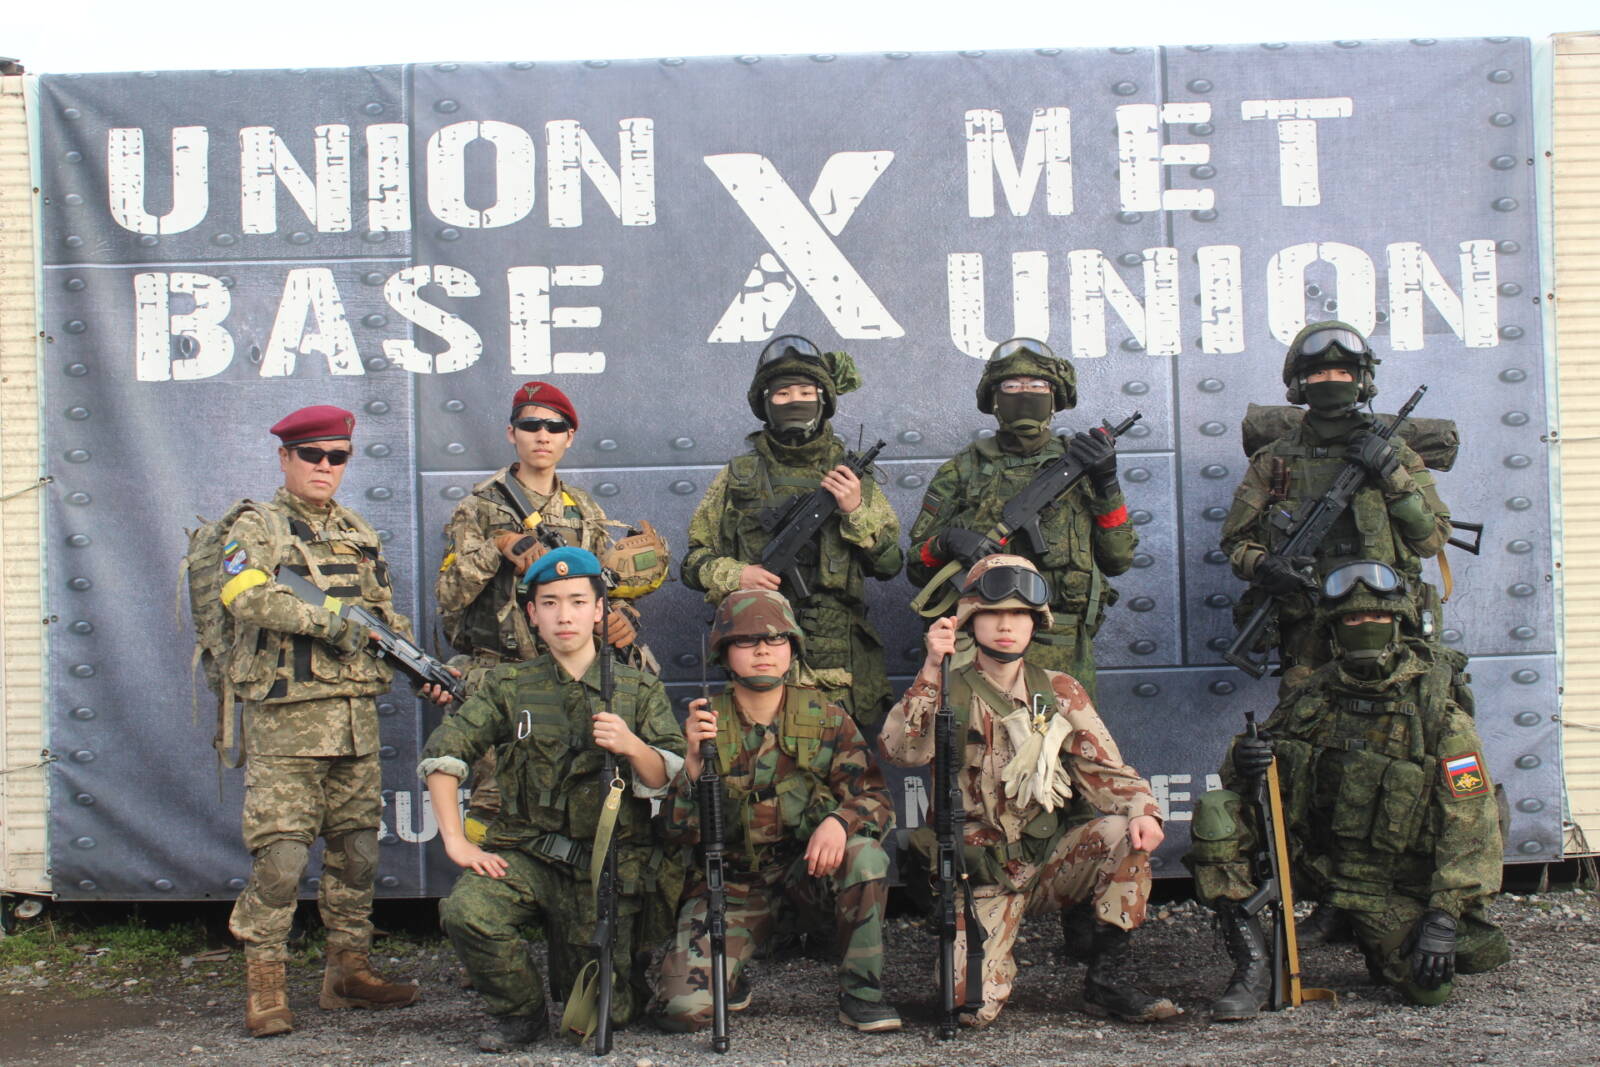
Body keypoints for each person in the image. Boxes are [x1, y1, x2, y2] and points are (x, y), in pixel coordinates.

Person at [1188, 560, 1508, 1014]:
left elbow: (1471, 823)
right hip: (1316, 862)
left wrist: (1444, 915)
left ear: (1398, 624)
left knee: (1427, 990)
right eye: (1353, 619)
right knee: (1218, 812)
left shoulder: (1436, 713)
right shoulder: (1315, 694)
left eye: (1376, 616)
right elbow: (1252, 774)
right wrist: (1245, 758)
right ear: (1335, 631)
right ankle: (1254, 968)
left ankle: (1368, 929)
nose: (1365, 626)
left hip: (1388, 881)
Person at [221, 405, 450, 1037]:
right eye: (312, 455)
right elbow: (244, 595)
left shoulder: (356, 530)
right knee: (282, 857)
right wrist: (330, 624)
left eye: (338, 457)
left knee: (357, 854)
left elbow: (381, 618)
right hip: (288, 722)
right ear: (285, 458)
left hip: (354, 720)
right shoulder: (257, 525)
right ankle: (266, 984)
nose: (325, 467)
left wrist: (418, 667)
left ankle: (348, 973)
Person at [879, 554, 1176, 1028]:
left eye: (1019, 614)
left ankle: (1107, 982)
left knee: (1125, 834)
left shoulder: (1057, 690)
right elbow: (901, 751)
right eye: (993, 614)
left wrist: (1143, 808)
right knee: (967, 1008)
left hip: (1050, 858)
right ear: (970, 620)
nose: (1006, 626)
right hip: (981, 872)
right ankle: (985, 954)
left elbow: (1105, 771)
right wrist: (932, 670)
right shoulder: (949, 689)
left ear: (1035, 623)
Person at [422, 547, 687, 1053]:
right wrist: (455, 841)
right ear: (532, 613)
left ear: (598, 610)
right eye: (549, 603)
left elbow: (668, 776)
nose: (564, 615)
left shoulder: (637, 689)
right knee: (467, 911)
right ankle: (518, 1014)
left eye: (577, 602)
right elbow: (445, 753)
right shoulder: (508, 687)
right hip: (529, 857)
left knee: (605, 1012)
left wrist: (631, 745)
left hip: (605, 867)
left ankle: (609, 976)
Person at [650, 589, 900, 1034]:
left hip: (809, 877)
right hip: (733, 889)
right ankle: (730, 973)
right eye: (746, 640)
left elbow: (875, 798)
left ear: (792, 649)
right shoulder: (705, 724)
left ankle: (862, 995)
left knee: (865, 856)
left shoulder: (826, 718)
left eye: (776, 639)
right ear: (724, 652)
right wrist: (691, 766)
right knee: (682, 1010)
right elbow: (674, 833)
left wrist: (839, 822)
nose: (763, 650)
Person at [435, 380, 665, 831]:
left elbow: (606, 590)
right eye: (531, 425)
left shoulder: (583, 509)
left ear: (569, 437)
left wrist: (624, 619)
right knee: (497, 805)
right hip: (503, 680)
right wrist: (497, 548)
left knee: (577, 800)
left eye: (555, 427)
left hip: (574, 680)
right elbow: (448, 596)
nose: (542, 436)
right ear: (512, 433)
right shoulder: (480, 507)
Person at [680, 335, 903, 733]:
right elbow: (693, 564)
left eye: (805, 392)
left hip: (834, 660)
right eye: (783, 394)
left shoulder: (850, 477)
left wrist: (854, 511)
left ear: (823, 399)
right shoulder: (739, 476)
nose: (794, 401)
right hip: (756, 653)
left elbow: (890, 564)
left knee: (839, 759)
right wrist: (740, 576)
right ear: (766, 403)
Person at [1221, 321, 1452, 692]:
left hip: (1389, 622)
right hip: (1310, 623)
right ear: (1300, 384)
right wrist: (1265, 565)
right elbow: (1235, 541)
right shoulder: (1275, 459)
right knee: (1304, 712)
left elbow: (1432, 539)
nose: (1331, 380)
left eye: (1343, 372)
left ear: (1361, 381)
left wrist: (1391, 474)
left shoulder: (1395, 454)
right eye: (1319, 373)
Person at [906, 338, 1134, 697]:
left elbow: (1118, 559)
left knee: (1064, 733)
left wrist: (1106, 482)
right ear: (994, 399)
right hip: (976, 649)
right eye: (1011, 386)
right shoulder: (963, 470)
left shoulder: (1083, 467)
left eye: (1038, 386)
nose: (1025, 394)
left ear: (1055, 398)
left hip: (1061, 650)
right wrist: (947, 542)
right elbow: (917, 568)